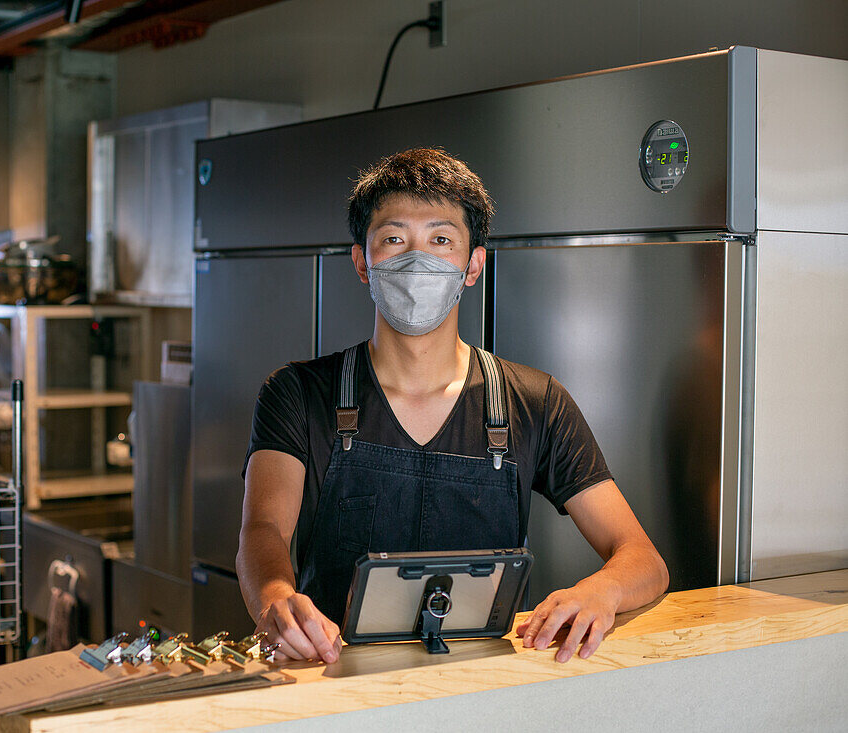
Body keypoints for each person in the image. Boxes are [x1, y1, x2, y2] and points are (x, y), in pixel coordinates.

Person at [236, 148, 669, 664]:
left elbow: (643, 559)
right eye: (394, 239)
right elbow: (263, 529)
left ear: (473, 265)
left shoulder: (534, 401)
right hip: (335, 680)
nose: (416, 259)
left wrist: (602, 591)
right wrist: (275, 599)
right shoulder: (298, 393)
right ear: (361, 262)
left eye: (441, 240)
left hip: (482, 691)